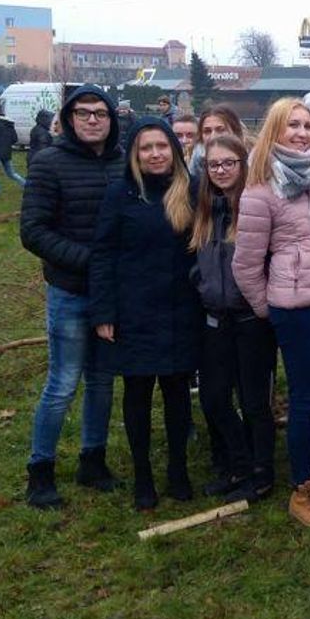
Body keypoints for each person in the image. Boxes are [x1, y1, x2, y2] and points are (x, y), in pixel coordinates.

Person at [232, 97, 310, 528]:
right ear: (275, 131)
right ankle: (303, 491)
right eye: (293, 126)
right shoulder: (260, 188)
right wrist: (269, 309)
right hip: (293, 309)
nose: (303, 133)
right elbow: (245, 264)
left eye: (308, 125)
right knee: (305, 400)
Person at [19, 84, 124, 509]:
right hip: (70, 290)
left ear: (112, 119)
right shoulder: (49, 163)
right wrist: (88, 260)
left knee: (101, 381)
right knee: (63, 382)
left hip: (112, 293)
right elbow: (33, 231)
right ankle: (40, 469)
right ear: (69, 118)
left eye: (101, 113)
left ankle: (92, 459)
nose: (93, 120)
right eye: (84, 113)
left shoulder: (123, 163)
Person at [90, 117, 199, 511]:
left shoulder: (190, 190)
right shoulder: (121, 194)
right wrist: (103, 310)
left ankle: (178, 470)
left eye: (162, 146)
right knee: (137, 394)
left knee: (176, 395)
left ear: (174, 149)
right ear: (135, 154)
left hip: (179, 311)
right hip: (133, 312)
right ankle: (142, 476)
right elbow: (102, 254)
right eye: (146, 148)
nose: (155, 154)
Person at [189, 133, 278, 504]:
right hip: (213, 319)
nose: (221, 170)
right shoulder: (205, 208)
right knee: (213, 398)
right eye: (214, 165)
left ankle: (262, 473)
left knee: (255, 401)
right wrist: (199, 283)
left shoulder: (256, 205)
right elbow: (194, 257)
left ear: (243, 165)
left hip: (251, 320)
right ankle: (238, 464)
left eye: (229, 163)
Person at [0, 107, 25, 196]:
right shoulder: (9, 123)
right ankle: (25, 184)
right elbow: (15, 139)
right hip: (7, 151)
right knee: (11, 173)